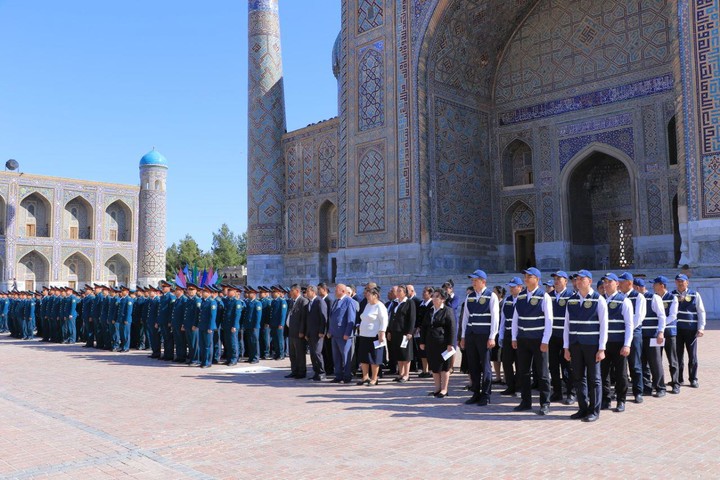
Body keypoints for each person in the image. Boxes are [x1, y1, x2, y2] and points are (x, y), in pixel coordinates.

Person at [564, 270, 608, 423]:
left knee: (594, 378)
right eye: (577, 279)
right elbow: (567, 325)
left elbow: (604, 326)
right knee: (578, 377)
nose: (578, 281)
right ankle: (582, 408)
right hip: (575, 344)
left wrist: (602, 348)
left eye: (581, 279)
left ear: (589, 281)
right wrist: (566, 347)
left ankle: (594, 410)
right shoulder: (572, 300)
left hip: (592, 345)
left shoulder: (598, 299)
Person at [511, 267, 553, 415]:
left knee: (542, 373)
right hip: (523, 339)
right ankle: (526, 402)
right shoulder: (521, 296)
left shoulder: (544, 296)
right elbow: (515, 318)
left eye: (529, 276)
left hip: (538, 339)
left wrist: (545, 340)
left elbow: (549, 320)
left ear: (537, 279)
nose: (526, 279)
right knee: (523, 372)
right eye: (525, 276)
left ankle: (545, 403)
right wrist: (514, 337)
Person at [460, 269, 499, 406]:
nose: (473, 282)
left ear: (483, 281)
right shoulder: (469, 297)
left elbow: (495, 318)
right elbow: (465, 318)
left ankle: (486, 394)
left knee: (486, 366)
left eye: (476, 280)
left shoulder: (491, 296)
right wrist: (463, 336)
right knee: (473, 365)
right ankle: (476, 392)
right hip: (471, 335)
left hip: (484, 336)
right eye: (473, 280)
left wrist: (492, 336)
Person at [599, 273, 633, 412]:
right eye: (605, 282)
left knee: (621, 374)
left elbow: (629, 325)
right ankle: (605, 400)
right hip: (604, 344)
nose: (606, 285)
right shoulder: (600, 300)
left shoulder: (624, 301)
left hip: (618, 343)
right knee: (603, 373)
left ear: (617, 284)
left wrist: (627, 344)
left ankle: (621, 400)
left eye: (610, 282)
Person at [420, 288, 457, 398]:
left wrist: (451, 344)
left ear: (443, 299)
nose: (433, 298)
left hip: (443, 343)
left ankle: (444, 389)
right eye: (433, 296)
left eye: (436, 296)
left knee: (444, 367)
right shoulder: (430, 310)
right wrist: (422, 341)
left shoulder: (447, 310)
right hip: (431, 342)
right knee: (434, 366)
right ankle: (437, 388)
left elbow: (452, 328)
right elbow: (424, 327)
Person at [618, 273, 647, 403]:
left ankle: (638, 391)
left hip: (634, 334)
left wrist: (628, 331)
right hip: (619, 334)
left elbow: (638, 317)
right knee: (620, 366)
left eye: (621, 281)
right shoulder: (619, 297)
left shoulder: (639, 297)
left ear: (629, 283)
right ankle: (620, 392)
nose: (619, 284)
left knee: (635, 364)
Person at [673, 273, 706, 388]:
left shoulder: (695, 295)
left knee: (692, 355)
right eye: (678, 281)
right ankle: (679, 378)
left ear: (687, 282)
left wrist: (701, 328)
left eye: (682, 281)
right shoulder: (672, 295)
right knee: (677, 355)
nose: (680, 283)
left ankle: (693, 378)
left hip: (691, 329)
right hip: (676, 330)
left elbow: (701, 312)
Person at [548, 271, 575, 404]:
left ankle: (571, 392)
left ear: (566, 281)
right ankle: (557, 392)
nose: (556, 281)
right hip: (552, 337)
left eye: (559, 278)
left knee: (568, 366)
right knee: (553, 365)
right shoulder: (549, 296)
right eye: (555, 278)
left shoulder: (571, 296)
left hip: (566, 337)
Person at [637, 278, 667, 397]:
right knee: (642, 362)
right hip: (640, 336)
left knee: (655, 362)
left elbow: (662, 316)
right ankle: (647, 386)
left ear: (638, 288)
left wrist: (661, 332)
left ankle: (660, 387)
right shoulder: (635, 298)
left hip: (653, 335)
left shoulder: (654, 298)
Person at [356, 286, 388, 386]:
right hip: (364, 335)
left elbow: (384, 320)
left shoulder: (380, 306)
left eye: (369, 295)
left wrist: (382, 332)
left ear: (375, 295)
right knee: (364, 357)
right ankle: (365, 377)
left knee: (375, 358)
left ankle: (374, 378)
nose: (367, 297)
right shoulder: (367, 305)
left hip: (375, 336)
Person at [653, 276, 680, 394]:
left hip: (669, 333)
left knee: (672, 359)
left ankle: (675, 383)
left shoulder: (672, 298)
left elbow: (673, 316)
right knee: (656, 359)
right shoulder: (654, 297)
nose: (653, 286)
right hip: (657, 334)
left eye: (655, 284)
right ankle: (658, 383)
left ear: (662, 285)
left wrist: (661, 326)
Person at [329, 283, 357, 384]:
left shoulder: (349, 301)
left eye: (337, 290)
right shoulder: (336, 301)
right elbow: (332, 317)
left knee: (346, 356)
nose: (335, 292)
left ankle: (347, 376)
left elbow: (351, 319)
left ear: (343, 291)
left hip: (344, 335)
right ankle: (338, 375)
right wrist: (330, 330)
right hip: (335, 334)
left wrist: (348, 333)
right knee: (336, 357)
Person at [387, 285, 416, 383]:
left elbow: (412, 319)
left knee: (405, 354)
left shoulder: (409, 302)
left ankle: (406, 375)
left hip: (405, 332)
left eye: (400, 291)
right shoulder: (396, 303)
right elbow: (392, 318)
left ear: (405, 292)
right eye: (397, 291)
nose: (398, 292)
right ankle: (401, 373)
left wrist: (410, 332)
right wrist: (390, 331)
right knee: (398, 353)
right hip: (396, 332)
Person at [499, 277, 522, 397]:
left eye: (514, 286)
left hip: (519, 335)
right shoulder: (507, 300)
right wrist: (501, 334)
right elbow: (503, 319)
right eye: (510, 286)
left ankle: (519, 387)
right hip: (508, 334)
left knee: (519, 362)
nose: (511, 288)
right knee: (506, 362)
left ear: (520, 287)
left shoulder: (523, 299)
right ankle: (510, 385)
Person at [305, 285, 328, 381]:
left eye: (308, 291)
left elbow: (323, 318)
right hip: (311, 333)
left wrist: (322, 331)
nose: (306, 293)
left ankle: (322, 373)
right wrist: (307, 333)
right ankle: (316, 372)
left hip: (318, 333)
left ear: (313, 292)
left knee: (317, 353)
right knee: (313, 354)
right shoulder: (310, 302)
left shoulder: (319, 301)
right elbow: (308, 320)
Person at [415, 287, 434, 378]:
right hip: (421, 331)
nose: (423, 293)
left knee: (429, 351)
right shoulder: (421, 304)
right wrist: (417, 326)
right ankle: (424, 370)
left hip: (429, 331)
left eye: (425, 292)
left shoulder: (432, 304)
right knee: (422, 351)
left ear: (430, 294)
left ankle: (431, 370)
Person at [198, 286, 218, 368]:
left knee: (207, 345)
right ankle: (203, 361)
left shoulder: (212, 302)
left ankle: (207, 362)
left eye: (204, 292)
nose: (202, 293)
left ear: (209, 293)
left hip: (208, 327)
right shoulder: (203, 301)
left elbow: (212, 316)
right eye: (203, 291)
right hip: (202, 326)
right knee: (202, 345)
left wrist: (210, 327)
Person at [184, 284, 202, 366]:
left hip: (193, 325)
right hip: (187, 324)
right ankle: (192, 358)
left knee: (195, 343)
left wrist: (195, 324)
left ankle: (196, 359)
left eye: (192, 290)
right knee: (190, 343)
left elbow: (197, 314)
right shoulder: (188, 300)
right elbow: (185, 314)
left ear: (196, 291)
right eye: (189, 290)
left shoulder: (197, 300)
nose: (190, 291)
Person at [270, 286, 288, 360]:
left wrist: (281, 324)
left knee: (280, 340)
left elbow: (283, 314)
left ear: (278, 293)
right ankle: (277, 354)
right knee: (275, 340)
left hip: (279, 324)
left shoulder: (282, 301)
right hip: (273, 323)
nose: (272, 293)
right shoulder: (273, 301)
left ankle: (281, 354)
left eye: (274, 292)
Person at [171, 285, 188, 362]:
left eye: (177, 290)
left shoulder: (184, 299)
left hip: (180, 324)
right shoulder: (177, 299)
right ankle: (178, 356)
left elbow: (185, 313)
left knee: (182, 341)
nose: (175, 291)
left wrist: (183, 324)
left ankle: (182, 356)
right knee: (177, 341)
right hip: (175, 323)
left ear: (181, 291)